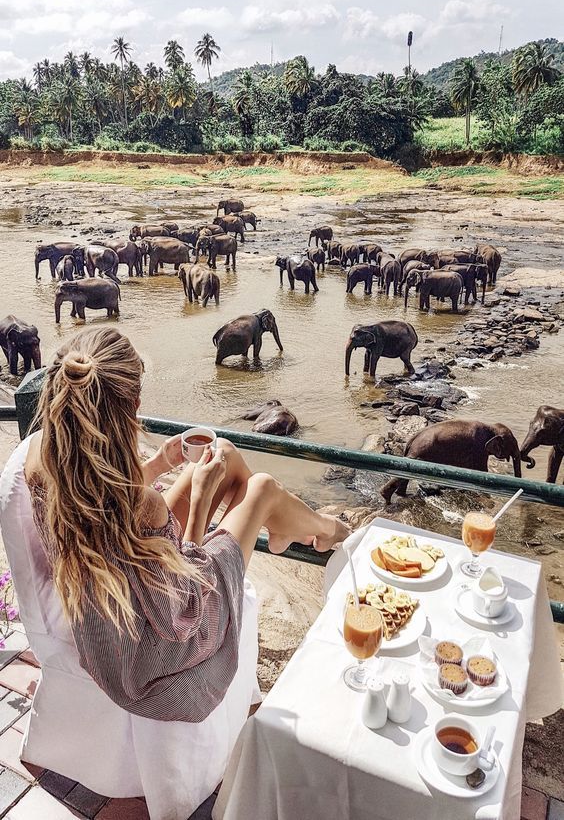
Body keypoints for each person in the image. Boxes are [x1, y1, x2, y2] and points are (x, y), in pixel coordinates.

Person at [0, 325, 349, 819]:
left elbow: (110, 501)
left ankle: (287, 527)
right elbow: (187, 572)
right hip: (165, 631)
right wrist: (202, 495)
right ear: (130, 404)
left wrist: (165, 461)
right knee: (264, 486)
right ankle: (327, 530)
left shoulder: (48, 465)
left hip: (116, 587)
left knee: (223, 452)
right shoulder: (138, 505)